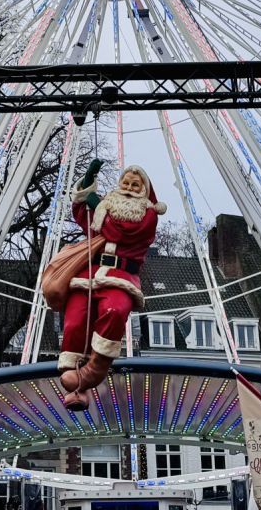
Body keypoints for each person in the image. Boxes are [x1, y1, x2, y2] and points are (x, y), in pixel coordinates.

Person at [56, 164, 166, 409]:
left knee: (115, 310)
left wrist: (96, 203)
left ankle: (95, 369)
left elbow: (121, 232)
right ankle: (72, 376)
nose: (128, 188)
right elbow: (85, 221)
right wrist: (86, 186)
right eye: (125, 183)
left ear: (144, 190)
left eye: (134, 185)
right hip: (91, 272)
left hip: (121, 275)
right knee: (74, 320)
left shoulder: (147, 215)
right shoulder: (106, 206)